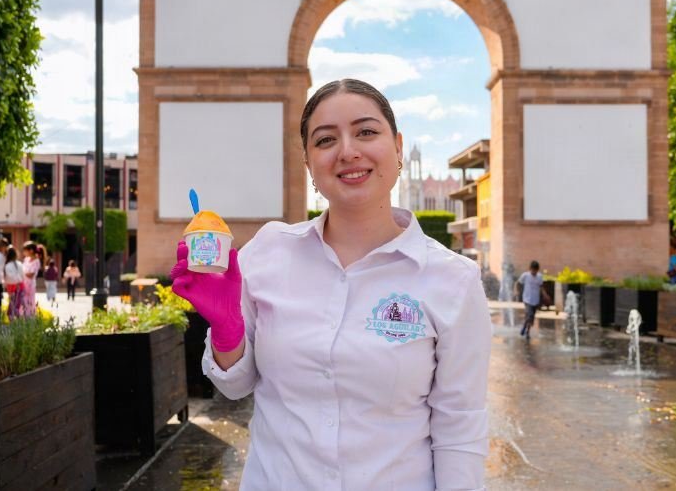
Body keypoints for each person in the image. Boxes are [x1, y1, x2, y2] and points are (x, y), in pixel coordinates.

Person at [171, 78, 492, 489]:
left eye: (366, 132)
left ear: (397, 147)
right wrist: (226, 330)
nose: (348, 151)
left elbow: (460, 427)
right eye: (325, 140)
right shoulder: (268, 252)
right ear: (308, 164)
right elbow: (234, 387)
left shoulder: (453, 279)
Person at [516, 260, 543, 338]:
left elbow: (541, 287)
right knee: (529, 315)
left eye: (536, 270)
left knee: (531, 317)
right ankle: (527, 333)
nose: (534, 272)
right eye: (533, 270)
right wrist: (517, 291)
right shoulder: (525, 275)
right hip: (527, 299)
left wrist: (545, 295)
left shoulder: (539, 276)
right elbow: (518, 283)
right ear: (530, 268)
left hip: (536, 300)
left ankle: (526, 329)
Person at [2, 246, 25, 317]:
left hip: (12, 286)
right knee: (17, 304)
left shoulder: (7, 266)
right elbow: (22, 276)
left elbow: (8, 278)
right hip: (20, 286)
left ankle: (12, 317)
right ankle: (16, 318)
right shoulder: (19, 264)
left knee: (13, 304)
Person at [20, 242, 41, 314]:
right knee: (22, 300)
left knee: (29, 301)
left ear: (31, 250)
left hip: (30, 284)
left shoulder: (36, 261)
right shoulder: (26, 259)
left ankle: (29, 317)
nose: (24, 252)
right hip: (23, 283)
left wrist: (21, 273)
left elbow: (31, 274)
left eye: (25, 250)